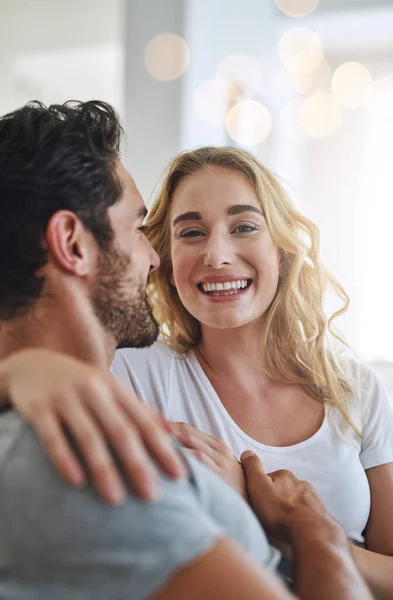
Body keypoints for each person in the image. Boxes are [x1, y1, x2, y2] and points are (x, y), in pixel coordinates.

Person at [0, 99, 373, 600]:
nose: (153, 257)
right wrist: (311, 529)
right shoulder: (96, 450)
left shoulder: (77, 413)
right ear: (72, 243)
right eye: (139, 227)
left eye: (244, 226)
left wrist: (21, 368)